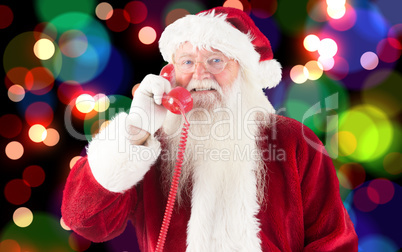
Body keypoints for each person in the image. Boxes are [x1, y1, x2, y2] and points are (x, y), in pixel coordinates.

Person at [62, 7, 358, 251]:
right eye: (187, 61)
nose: (200, 74)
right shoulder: (151, 143)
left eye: (215, 60)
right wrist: (134, 134)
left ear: (243, 72)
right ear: (170, 73)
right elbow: (87, 222)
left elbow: (334, 241)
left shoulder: (293, 140)